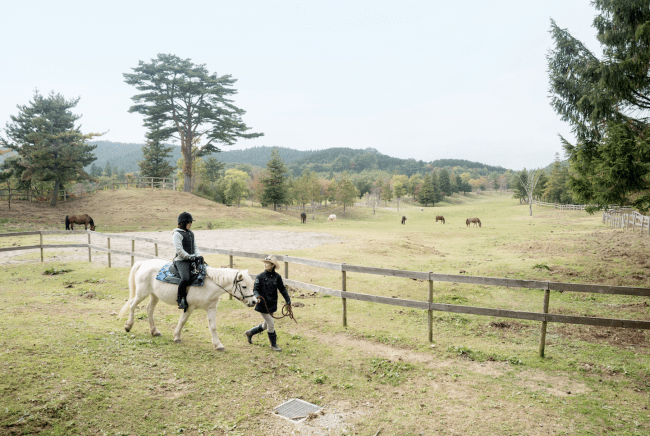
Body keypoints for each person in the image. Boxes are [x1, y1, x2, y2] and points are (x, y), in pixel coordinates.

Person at [245, 255, 291, 351]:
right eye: (265, 263)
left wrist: (288, 301)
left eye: (267, 263)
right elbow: (255, 289)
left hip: (272, 304)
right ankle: (273, 345)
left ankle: (250, 333)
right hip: (262, 304)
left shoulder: (277, 277)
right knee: (271, 323)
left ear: (273, 265)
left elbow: (282, 289)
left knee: (266, 325)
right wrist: (257, 296)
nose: (265, 265)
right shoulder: (260, 276)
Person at [172, 212, 203, 311]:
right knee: (185, 278)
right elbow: (179, 250)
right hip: (181, 260)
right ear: (183, 223)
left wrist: (198, 256)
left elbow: (195, 246)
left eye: (191, 222)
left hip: (192, 258)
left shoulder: (191, 233)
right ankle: (180, 299)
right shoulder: (177, 234)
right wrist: (189, 257)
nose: (190, 224)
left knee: (204, 272)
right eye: (189, 222)